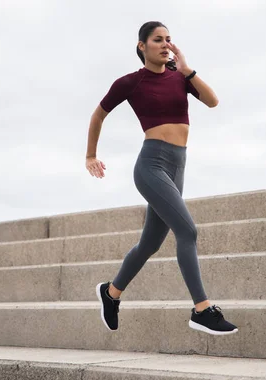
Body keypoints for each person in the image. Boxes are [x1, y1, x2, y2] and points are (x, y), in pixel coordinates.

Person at [86, 21, 238, 336]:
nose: (165, 44)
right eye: (158, 40)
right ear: (142, 45)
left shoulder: (180, 78)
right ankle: (202, 309)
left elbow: (212, 101)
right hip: (151, 164)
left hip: (177, 165)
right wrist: (91, 155)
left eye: (169, 39)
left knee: (150, 244)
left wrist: (187, 69)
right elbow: (98, 114)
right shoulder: (130, 82)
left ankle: (111, 293)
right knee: (187, 230)